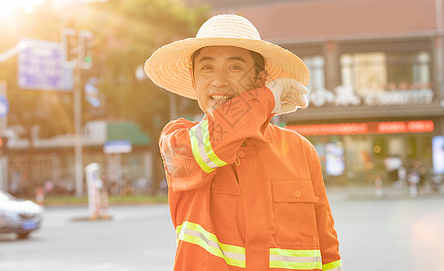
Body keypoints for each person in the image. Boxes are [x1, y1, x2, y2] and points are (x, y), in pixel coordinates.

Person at [144, 14, 343, 271]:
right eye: (207, 67)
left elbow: (327, 251)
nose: (219, 80)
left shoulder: (301, 151)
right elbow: (217, 138)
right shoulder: (177, 141)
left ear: (260, 80)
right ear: (194, 81)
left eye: (235, 67)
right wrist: (266, 99)